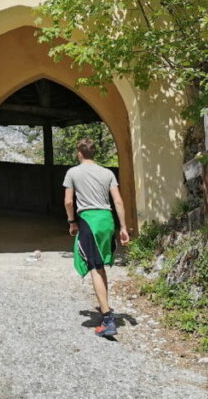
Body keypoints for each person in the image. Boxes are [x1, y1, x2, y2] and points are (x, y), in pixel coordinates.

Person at [63, 137, 130, 338]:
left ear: (79, 153)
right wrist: (123, 227)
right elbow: (118, 201)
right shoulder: (107, 173)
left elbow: (68, 201)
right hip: (107, 220)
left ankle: (108, 318)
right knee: (99, 266)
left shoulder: (73, 172)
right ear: (95, 154)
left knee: (94, 266)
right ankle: (105, 308)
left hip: (89, 220)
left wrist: (72, 222)